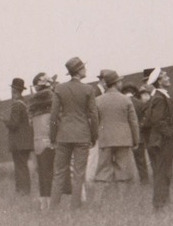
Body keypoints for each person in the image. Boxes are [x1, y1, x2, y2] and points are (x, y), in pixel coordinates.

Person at [49, 57, 99, 210]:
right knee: (78, 174)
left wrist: (53, 137)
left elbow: (53, 116)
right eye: (83, 67)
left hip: (63, 135)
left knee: (58, 173)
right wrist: (93, 136)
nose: (85, 70)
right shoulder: (89, 90)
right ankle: (75, 208)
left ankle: (53, 208)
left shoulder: (59, 89)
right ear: (78, 70)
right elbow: (93, 115)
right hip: (82, 135)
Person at [93, 70, 139, 198]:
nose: (121, 83)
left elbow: (95, 121)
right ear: (116, 83)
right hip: (124, 139)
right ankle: (122, 200)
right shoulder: (126, 100)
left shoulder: (97, 100)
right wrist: (135, 140)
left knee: (102, 170)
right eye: (120, 81)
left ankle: (98, 200)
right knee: (124, 171)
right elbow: (133, 122)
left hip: (105, 139)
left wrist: (97, 136)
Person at [142, 69, 173, 212]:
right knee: (162, 173)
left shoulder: (160, 97)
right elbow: (157, 120)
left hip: (161, 140)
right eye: (165, 77)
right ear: (159, 81)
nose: (168, 78)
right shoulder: (160, 98)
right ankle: (159, 206)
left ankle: (162, 204)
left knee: (164, 173)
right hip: (163, 141)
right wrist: (171, 133)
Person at [28, 73, 59, 209]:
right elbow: (55, 122)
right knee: (53, 172)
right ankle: (52, 202)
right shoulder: (53, 102)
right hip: (51, 141)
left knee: (42, 172)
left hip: (38, 141)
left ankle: (43, 203)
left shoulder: (33, 105)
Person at [3, 77, 34, 197]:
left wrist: (5, 121)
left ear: (14, 90)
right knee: (23, 166)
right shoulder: (24, 103)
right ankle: (25, 191)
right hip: (25, 142)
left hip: (18, 143)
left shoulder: (16, 105)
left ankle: (22, 191)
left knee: (19, 167)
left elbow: (14, 124)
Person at [121, 83, 150, 182]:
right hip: (139, 135)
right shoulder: (140, 103)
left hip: (124, 136)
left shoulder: (122, 103)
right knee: (141, 160)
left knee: (124, 160)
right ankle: (144, 179)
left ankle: (127, 179)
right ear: (134, 92)